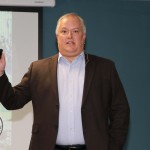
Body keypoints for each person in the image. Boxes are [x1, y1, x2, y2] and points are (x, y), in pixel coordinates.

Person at [0, 13, 130, 150]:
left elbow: (121, 111)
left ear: (83, 37)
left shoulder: (105, 68)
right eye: (64, 31)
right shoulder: (38, 69)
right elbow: (12, 101)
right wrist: (1, 74)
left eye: (75, 31)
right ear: (57, 37)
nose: (69, 36)